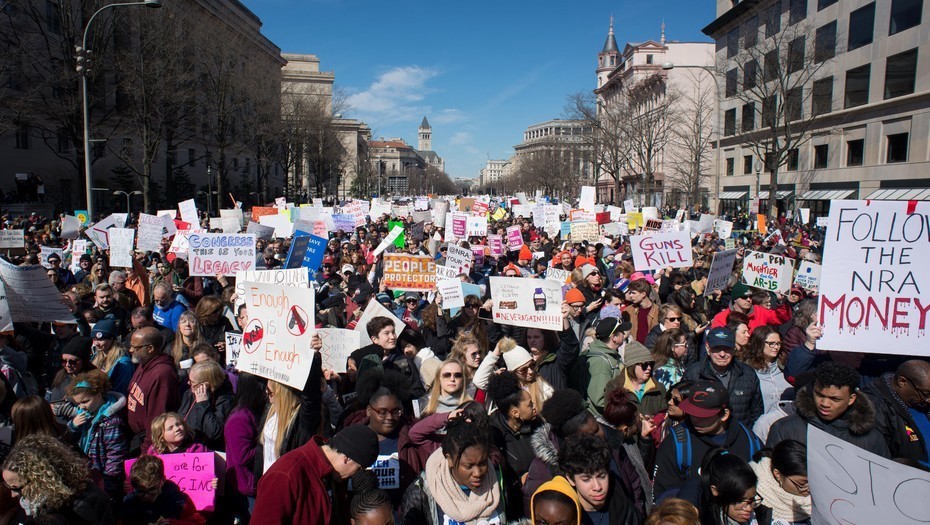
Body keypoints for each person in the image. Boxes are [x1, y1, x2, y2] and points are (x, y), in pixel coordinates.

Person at [652, 381, 762, 500]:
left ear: (724, 415)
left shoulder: (749, 441)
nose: (695, 419)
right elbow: (663, 495)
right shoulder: (676, 442)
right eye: (692, 412)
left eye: (703, 415)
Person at [251, 424, 379, 525]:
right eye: (359, 468)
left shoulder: (334, 476)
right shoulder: (286, 474)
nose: (355, 475)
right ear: (347, 458)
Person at [766, 362, 889, 455]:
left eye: (835, 399)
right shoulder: (784, 429)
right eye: (819, 395)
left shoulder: (873, 439)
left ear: (851, 399)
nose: (825, 403)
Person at [400, 419, 506, 525]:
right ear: (450, 460)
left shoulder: (498, 482)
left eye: (482, 464)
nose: (478, 473)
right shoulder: (421, 493)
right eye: (468, 466)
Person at [1, 434, 114, 524]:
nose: (13, 495)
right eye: (9, 487)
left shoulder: (83, 506)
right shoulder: (38, 499)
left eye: (16, 488)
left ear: (40, 479)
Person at [65, 370, 128, 499]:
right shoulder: (85, 415)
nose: (81, 407)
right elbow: (68, 440)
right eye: (78, 403)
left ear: (99, 395)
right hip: (88, 473)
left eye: (85, 401)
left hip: (103, 478)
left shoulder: (110, 421)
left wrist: (109, 483)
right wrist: (73, 425)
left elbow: (115, 454)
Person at [683, 328, 764, 427]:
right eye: (717, 348)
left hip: (739, 435)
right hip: (703, 436)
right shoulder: (693, 374)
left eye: (727, 349)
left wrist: (746, 434)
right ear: (708, 349)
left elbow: (756, 411)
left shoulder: (747, 373)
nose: (722, 354)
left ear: (734, 349)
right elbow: (685, 410)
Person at [487, 371, 541, 518]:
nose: (535, 407)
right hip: (513, 506)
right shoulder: (493, 436)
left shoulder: (537, 424)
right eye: (530, 405)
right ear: (515, 413)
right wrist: (517, 481)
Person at [558, 433, 643, 525]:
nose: (597, 487)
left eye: (601, 476)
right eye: (586, 479)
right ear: (570, 479)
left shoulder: (627, 512)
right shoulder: (563, 516)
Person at [863, 359, 930, 467]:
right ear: (902, 382)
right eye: (925, 394)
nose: (928, 400)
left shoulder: (920, 403)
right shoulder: (875, 408)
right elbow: (878, 458)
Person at [126, 327, 180, 454]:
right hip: (134, 436)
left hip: (145, 441)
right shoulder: (143, 364)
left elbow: (157, 418)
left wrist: (146, 453)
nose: (130, 350)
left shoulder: (162, 374)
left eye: (135, 347)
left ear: (150, 348)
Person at [224, 372, 267, 523]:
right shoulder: (239, 418)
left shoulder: (254, 411)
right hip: (246, 488)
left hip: (253, 485)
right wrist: (269, 445)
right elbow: (242, 457)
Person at [121, 454, 205, 525]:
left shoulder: (181, 501)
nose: (146, 496)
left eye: (152, 490)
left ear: (163, 480)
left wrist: (173, 523)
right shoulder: (129, 501)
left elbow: (199, 522)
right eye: (140, 491)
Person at [475, 338, 553, 414]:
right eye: (523, 370)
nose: (530, 371)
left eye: (532, 365)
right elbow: (479, 381)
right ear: (512, 372)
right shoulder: (506, 388)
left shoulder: (542, 386)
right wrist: (495, 353)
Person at [571, 316, 630, 416]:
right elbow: (601, 399)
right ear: (614, 337)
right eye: (621, 332)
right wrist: (624, 408)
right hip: (601, 420)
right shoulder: (601, 362)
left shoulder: (608, 356)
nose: (624, 334)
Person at [691, 450, 768, 525]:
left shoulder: (762, 517)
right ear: (715, 491)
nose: (749, 509)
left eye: (751, 500)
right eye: (740, 501)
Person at [749, 440, 811, 524]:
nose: (809, 488)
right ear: (778, 474)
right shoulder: (753, 496)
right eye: (802, 484)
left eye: (811, 482)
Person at [178, 359, 235, 451]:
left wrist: (202, 404)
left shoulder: (226, 399)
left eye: (192, 382)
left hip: (207, 452)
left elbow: (214, 432)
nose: (189, 384)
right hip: (186, 448)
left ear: (206, 385)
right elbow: (181, 416)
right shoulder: (190, 393)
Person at [738, 326, 791, 413]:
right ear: (759, 343)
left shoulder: (786, 366)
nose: (776, 347)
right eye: (771, 343)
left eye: (778, 343)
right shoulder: (747, 370)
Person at [609, 342, 666, 417]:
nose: (649, 368)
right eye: (644, 365)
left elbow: (663, 414)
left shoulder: (658, 388)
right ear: (632, 366)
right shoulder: (614, 387)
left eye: (651, 364)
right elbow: (611, 417)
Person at [711, 282, 790, 333]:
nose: (748, 300)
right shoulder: (721, 317)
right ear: (735, 299)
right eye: (744, 297)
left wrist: (782, 302)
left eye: (750, 296)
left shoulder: (759, 311)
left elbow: (780, 318)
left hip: (756, 355)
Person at [89, 319, 134, 395]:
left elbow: (121, 391)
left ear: (112, 339)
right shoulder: (96, 355)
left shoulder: (124, 363)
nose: (96, 343)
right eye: (94, 339)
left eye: (101, 339)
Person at [624, 279, 658, 345]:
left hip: (652, 349)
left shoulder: (658, 311)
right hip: (635, 349)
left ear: (643, 294)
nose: (630, 295)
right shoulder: (628, 311)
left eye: (633, 293)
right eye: (630, 293)